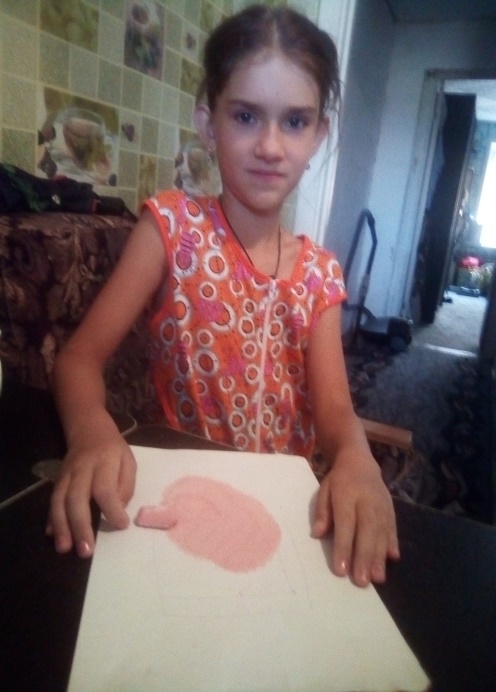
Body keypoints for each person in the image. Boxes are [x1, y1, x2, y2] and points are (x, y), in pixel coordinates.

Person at [47, 4, 399, 587]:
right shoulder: (171, 230)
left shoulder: (319, 274)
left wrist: (358, 458)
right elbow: (78, 360)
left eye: (294, 121)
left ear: (319, 134)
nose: (270, 145)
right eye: (246, 116)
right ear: (209, 124)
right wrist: (90, 431)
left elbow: (336, 413)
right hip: (177, 507)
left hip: (284, 522)